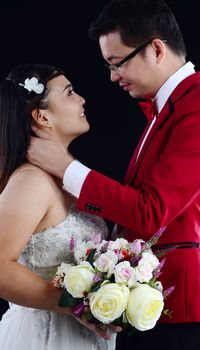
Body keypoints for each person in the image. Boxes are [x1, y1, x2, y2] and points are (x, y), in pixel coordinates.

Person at [27, 0, 200, 349]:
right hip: (150, 309)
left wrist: (66, 168)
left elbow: (150, 212)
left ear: (155, 48)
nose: (112, 76)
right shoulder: (162, 111)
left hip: (185, 311)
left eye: (117, 63)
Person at [0, 63, 120, 350]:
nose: (81, 99)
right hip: (44, 336)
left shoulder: (69, 178)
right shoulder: (31, 181)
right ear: (43, 116)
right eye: (69, 93)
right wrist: (73, 305)